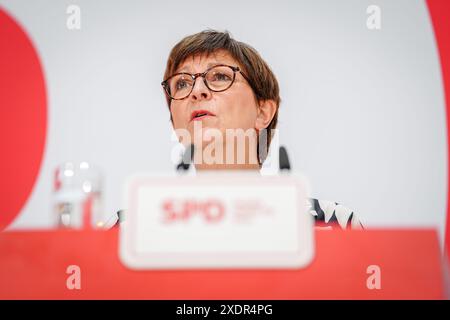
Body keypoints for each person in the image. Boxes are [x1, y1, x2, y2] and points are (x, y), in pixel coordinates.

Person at [159, 29, 362, 230]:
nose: (197, 91)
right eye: (182, 83)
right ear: (174, 122)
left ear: (263, 112)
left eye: (219, 76)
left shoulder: (333, 223)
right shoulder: (134, 228)